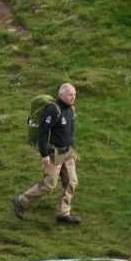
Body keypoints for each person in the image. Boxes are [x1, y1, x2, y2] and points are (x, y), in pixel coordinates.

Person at [14, 82, 80, 225]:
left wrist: (72, 150)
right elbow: (43, 133)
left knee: (71, 182)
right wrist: (44, 154)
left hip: (67, 152)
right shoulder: (52, 110)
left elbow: (70, 130)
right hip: (53, 154)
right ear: (61, 95)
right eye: (70, 95)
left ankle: (63, 213)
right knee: (48, 186)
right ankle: (21, 201)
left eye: (74, 95)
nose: (73, 97)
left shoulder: (70, 109)